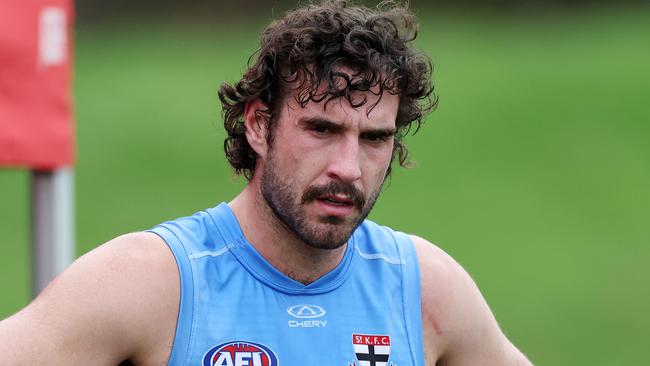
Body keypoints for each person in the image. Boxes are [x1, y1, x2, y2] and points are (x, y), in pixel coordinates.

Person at [0, 1, 532, 365]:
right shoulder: (151, 282)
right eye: (322, 129)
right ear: (259, 124)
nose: (348, 168)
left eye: (373, 139)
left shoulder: (424, 289)